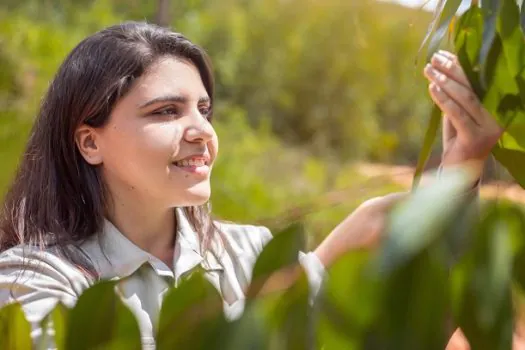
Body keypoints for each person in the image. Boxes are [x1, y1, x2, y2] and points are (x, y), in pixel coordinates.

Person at [0, 22, 502, 349]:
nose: (201, 131)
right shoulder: (33, 280)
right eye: (166, 111)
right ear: (90, 143)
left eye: (204, 109)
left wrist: (462, 165)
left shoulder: (250, 252)